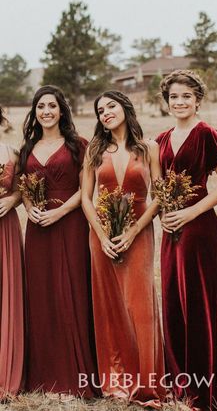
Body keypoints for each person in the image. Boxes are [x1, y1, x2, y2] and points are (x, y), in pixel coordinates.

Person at [156, 69, 217, 410]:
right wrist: (164, 214)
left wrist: (191, 213)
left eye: (186, 96)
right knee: (174, 295)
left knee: (203, 299)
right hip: (169, 229)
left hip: (199, 227)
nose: (180, 102)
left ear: (198, 100)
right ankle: (182, 379)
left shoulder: (206, 133)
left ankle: (214, 378)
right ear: (167, 101)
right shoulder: (160, 139)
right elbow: (157, 188)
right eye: (174, 96)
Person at [82, 90, 165, 409]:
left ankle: (148, 386)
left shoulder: (149, 149)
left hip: (139, 232)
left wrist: (132, 231)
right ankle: (116, 380)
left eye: (111, 106)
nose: (105, 113)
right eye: (100, 110)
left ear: (125, 108)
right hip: (100, 234)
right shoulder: (94, 150)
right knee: (110, 306)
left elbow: (158, 196)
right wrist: (102, 236)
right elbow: (86, 197)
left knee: (139, 305)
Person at [19, 85, 100, 399]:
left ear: (62, 110)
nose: (46, 111)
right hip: (38, 229)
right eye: (41, 106)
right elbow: (24, 187)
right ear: (35, 112)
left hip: (71, 224)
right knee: (42, 295)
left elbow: (87, 189)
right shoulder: (27, 147)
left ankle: (76, 375)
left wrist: (61, 211)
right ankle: (45, 373)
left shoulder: (78, 145)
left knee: (73, 291)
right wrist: (29, 209)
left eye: (52, 105)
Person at [0, 107, 24, 400]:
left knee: (7, 294)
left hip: (4, 228)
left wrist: (12, 201)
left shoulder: (12, 152)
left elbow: (21, 190)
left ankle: (6, 368)